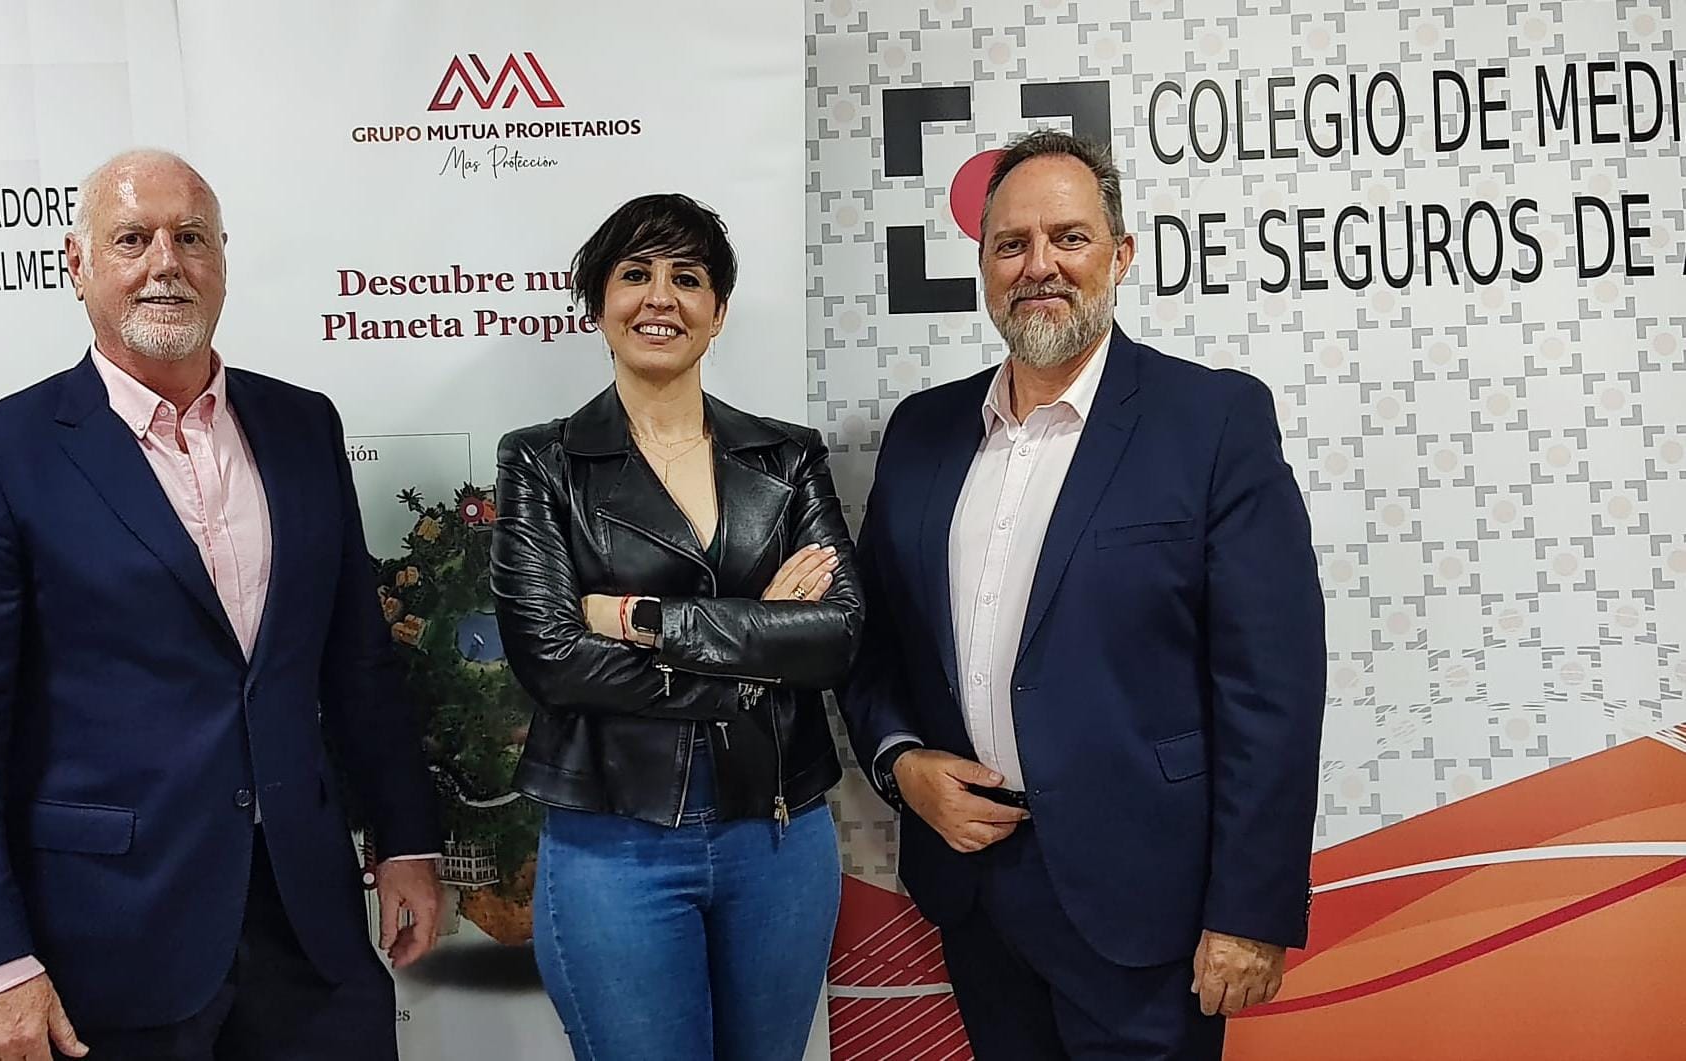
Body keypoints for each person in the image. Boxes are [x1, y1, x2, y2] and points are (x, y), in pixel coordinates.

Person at [0, 149, 443, 1061]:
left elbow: (356, 660)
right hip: (109, 941)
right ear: (77, 265)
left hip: (309, 925)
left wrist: (408, 839)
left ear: (222, 258)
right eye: (132, 239)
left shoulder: (303, 424)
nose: (166, 262)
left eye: (191, 237)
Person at [838, 130, 1326, 1060]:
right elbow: (875, 642)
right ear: (983, 266)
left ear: (1120, 254)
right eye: (1010, 244)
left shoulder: (1210, 420)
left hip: (1149, 901)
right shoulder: (922, 431)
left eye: (1068, 237)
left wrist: (1249, 910)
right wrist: (899, 761)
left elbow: (1272, 687)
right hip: (975, 889)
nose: (1039, 266)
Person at [491, 193, 863, 1061]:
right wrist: (759, 646)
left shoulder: (787, 456)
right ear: (597, 304)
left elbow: (838, 634)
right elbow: (553, 660)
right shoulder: (540, 461)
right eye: (635, 274)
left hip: (778, 837)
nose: (660, 297)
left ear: (718, 312)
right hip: (612, 844)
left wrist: (639, 619)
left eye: (687, 279)